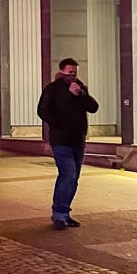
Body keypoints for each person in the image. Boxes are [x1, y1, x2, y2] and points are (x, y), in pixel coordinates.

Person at [37, 57, 99, 230]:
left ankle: (64, 212)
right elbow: (42, 110)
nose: (73, 75)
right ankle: (59, 213)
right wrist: (59, 123)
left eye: (75, 72)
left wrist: (80, 94)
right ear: (62, 71)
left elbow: (93, 107)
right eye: (70, 72)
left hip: (77, 139)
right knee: (68, 174)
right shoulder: (53, 89)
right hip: (61, 140)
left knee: (74, 178)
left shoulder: (79, 88)